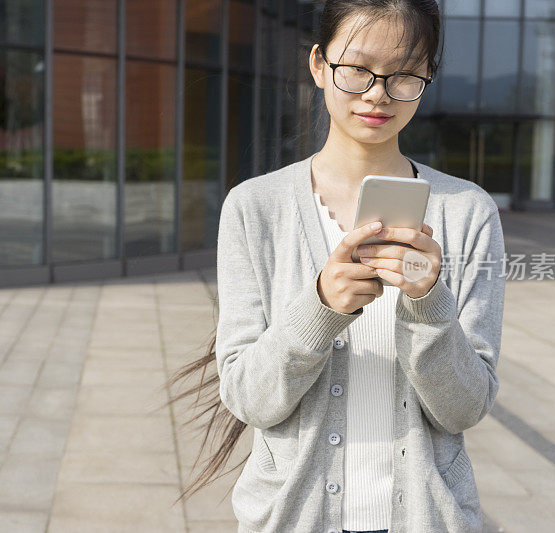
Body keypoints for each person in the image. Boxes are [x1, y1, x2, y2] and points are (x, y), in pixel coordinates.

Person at [163, 1, 505, 532]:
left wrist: (430, 306)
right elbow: (249, 397)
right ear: (319, 66)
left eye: (404, 75)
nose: (378, 93)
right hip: (293, 518)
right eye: (358, 70)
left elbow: (464, 409)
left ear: (427, 78)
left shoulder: (466, 211)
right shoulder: (256, 207)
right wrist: (319, 308)